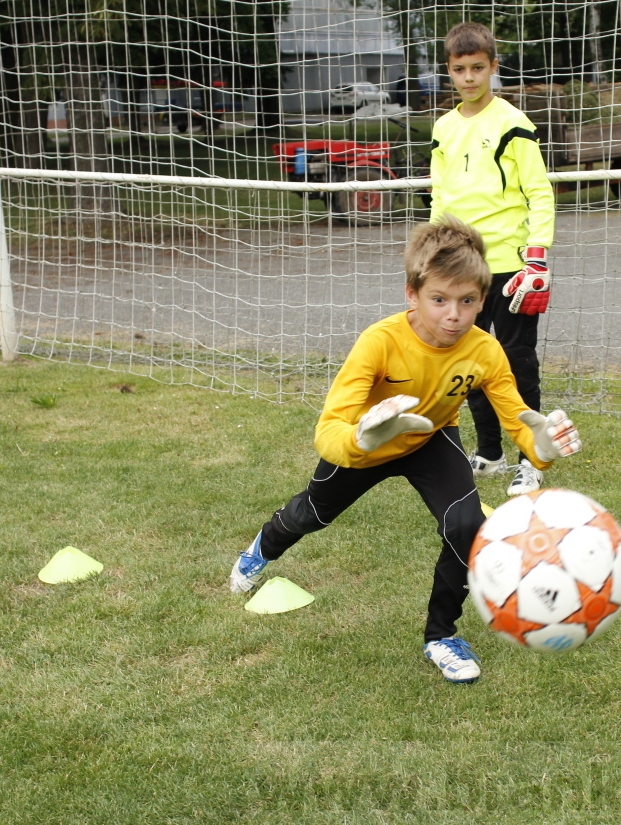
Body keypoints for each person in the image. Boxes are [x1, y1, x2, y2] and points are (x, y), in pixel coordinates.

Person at [228, 217, 582, 684]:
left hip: (431, 439)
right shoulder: (380, 342)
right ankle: (260, 550)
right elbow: (329, 428)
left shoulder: (485, 351)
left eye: (468, 301)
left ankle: (441, 636)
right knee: (310, 514)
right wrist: (361, 439)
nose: (453, 315)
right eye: (439, 299)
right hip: (368, 443)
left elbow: (518, 419)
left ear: (482, 298)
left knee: (467, 526)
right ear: (411, 294)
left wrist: (540, 448)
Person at [430, 21, 557, 498]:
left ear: (493, 68)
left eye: (477, 68)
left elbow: (539, 193)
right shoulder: (443, 128)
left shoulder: (512, 123)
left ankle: (532, 458)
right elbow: (439, 199)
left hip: (512, 267)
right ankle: (490, 452)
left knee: (517, 361)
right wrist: (436, 257)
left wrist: (537, 260)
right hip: (464, 269)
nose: (468, 77)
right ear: (450, 71)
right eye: (459, 69)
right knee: (469, 359)